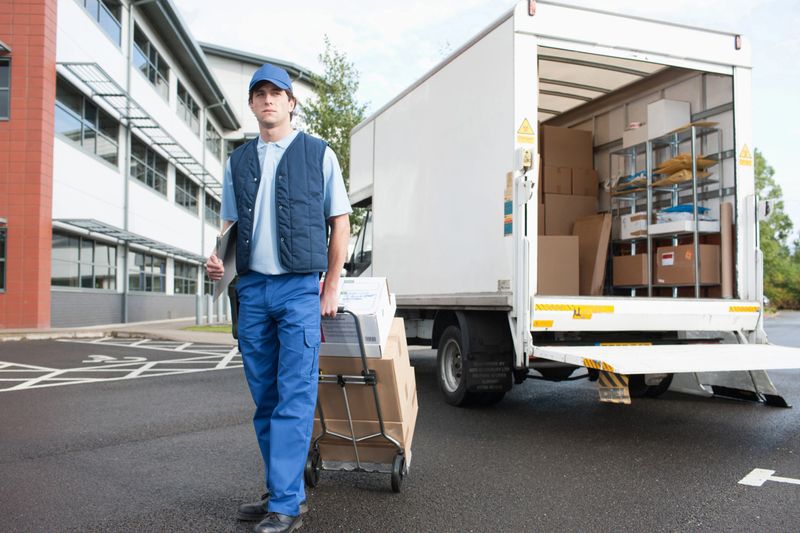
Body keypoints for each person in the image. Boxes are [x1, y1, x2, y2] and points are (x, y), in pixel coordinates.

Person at [206, 63, 351, 533]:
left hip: (297, 291)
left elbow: (340, 222)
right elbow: (230, 227)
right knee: (265, 398)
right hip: (251, 289)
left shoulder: (319, 154)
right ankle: (280, 487)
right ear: (251, 104)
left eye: (277, 93)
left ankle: (287, 503)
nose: (268, 99)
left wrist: (331, 285)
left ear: (292, 102)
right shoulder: (238, 162)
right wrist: (215, 258)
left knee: (294, 395)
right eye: (259, 93)